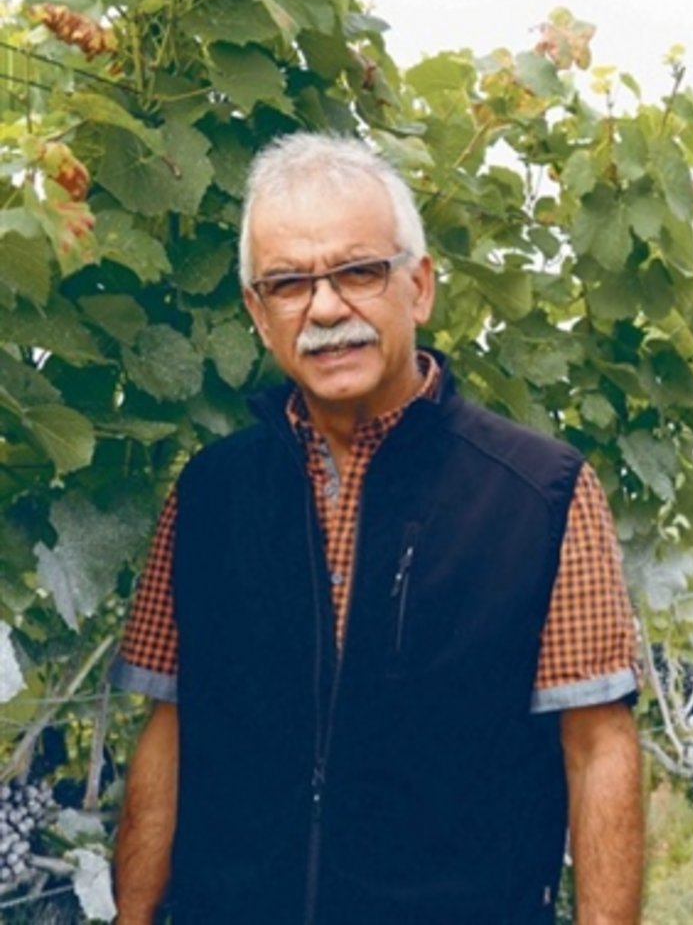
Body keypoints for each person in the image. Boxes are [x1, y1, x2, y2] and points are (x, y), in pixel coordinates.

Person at [111, 133, 644, 924]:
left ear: (419, 287)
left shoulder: (540, 493)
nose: (326, 308)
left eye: (358, 272)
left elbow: (599, 749)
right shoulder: (209, 495)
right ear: (259, 316)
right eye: (289, 284)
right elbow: (170, 727)